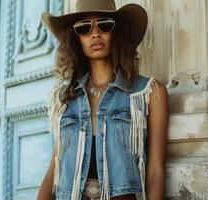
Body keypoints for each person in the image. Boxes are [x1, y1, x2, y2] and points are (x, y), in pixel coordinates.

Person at [37, 0, 168, 200]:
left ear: (117, 32)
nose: (95, 34)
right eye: (84, 28)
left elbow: (156, 171)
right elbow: (55, 168)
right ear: (76, 38)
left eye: (104, 25)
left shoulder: (148, 92)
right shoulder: (64, 98)